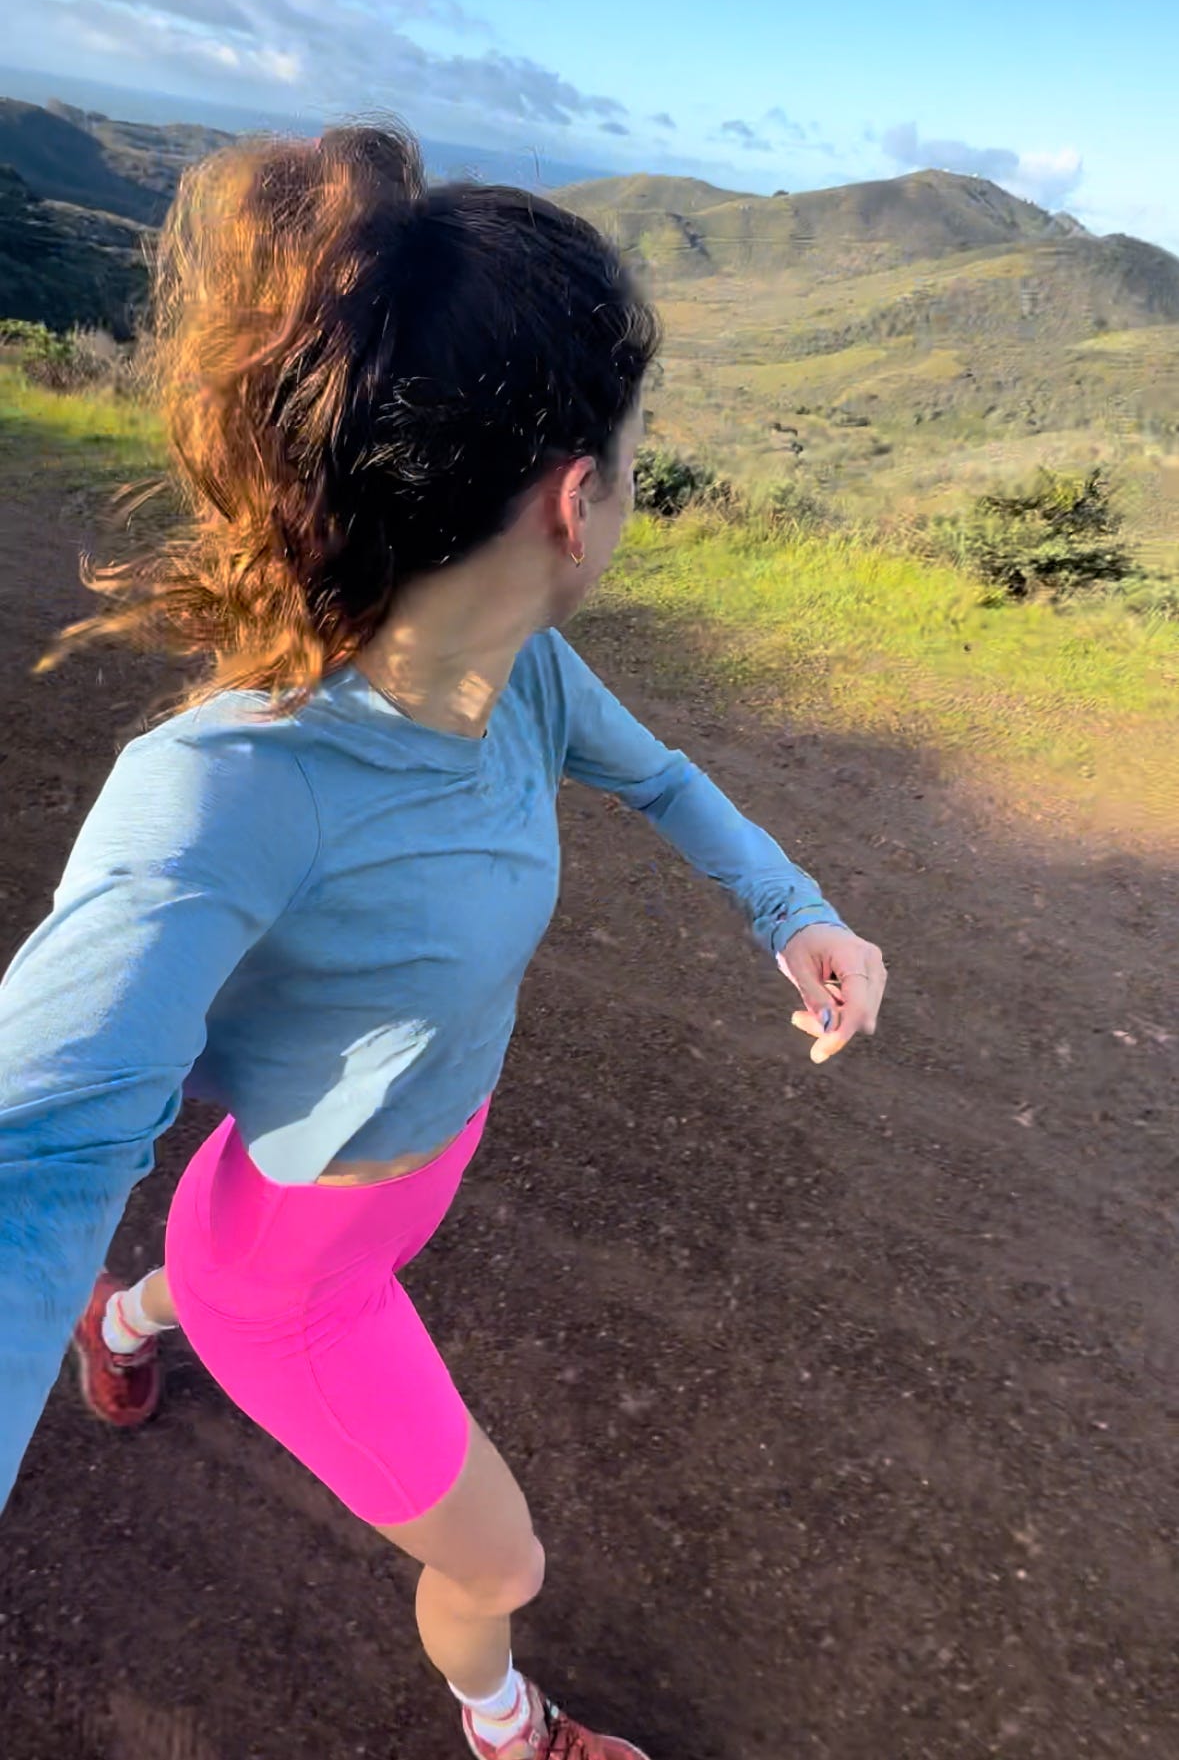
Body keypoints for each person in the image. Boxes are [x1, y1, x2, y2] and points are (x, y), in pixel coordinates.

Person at [0, 124, 887, 1758]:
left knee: (209, 1256)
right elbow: (24, 1152)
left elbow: (666, 779)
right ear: (575, 496)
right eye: (633, 454)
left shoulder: (523, 669)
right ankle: (509, 1724)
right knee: (498, 1559)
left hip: (341, 1189)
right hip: (299, 1280)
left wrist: (797, 911)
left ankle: (117, 1327)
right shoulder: (228, 785)